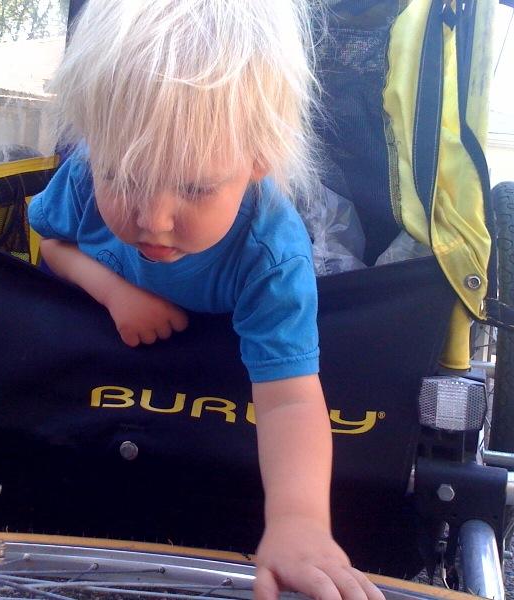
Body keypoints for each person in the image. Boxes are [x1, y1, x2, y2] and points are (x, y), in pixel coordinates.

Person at [28, 2, 384, 599]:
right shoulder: (87, 172)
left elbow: (289, 400)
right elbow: (49, 240)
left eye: (194, 187)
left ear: (259, 159)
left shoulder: (272, 256)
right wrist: (113, 291)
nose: (153, 219)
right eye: (125, 178)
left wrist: (299, 523)